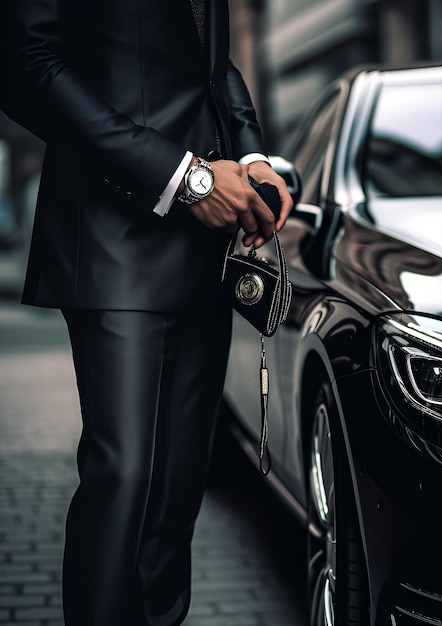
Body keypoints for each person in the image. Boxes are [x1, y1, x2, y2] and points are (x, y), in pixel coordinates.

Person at [0, 1, 293, 625]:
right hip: (113, 237)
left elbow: (211, 63)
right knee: (125, 478)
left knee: (177, 490)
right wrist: (182, 178)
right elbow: (25, 64)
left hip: (208, 244)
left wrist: (250, 157)